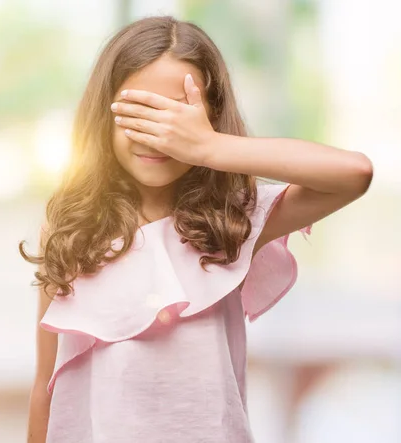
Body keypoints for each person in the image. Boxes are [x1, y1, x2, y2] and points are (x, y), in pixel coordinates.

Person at [19, 15, 373, 443]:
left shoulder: (234, 220)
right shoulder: (72, 229)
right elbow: (45, 386)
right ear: (104, 114)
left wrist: (208, 146)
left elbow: (353, 173)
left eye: (178, 116)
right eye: (141, 112)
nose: (158, 135)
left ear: (211, 118)